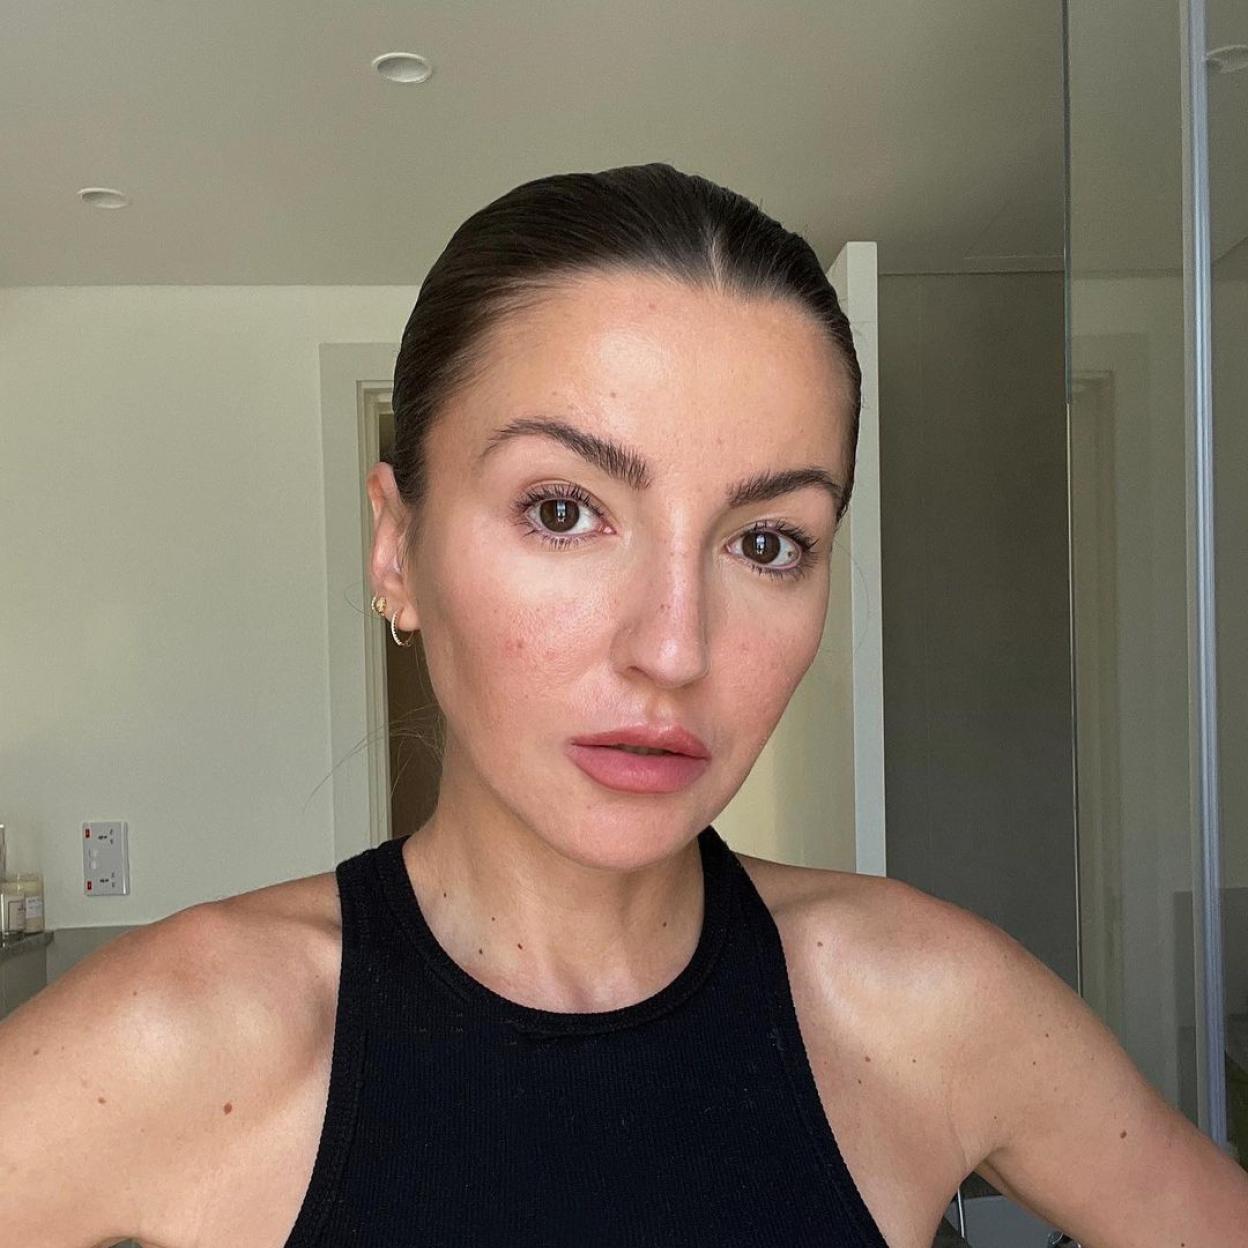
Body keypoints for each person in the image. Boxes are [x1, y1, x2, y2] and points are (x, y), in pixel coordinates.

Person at [2, 163, 1244, 1248]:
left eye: (767, 541)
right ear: (395, 549)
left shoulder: (927, 1004)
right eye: (563, 511)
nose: (673, 648)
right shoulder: (177, 1042)